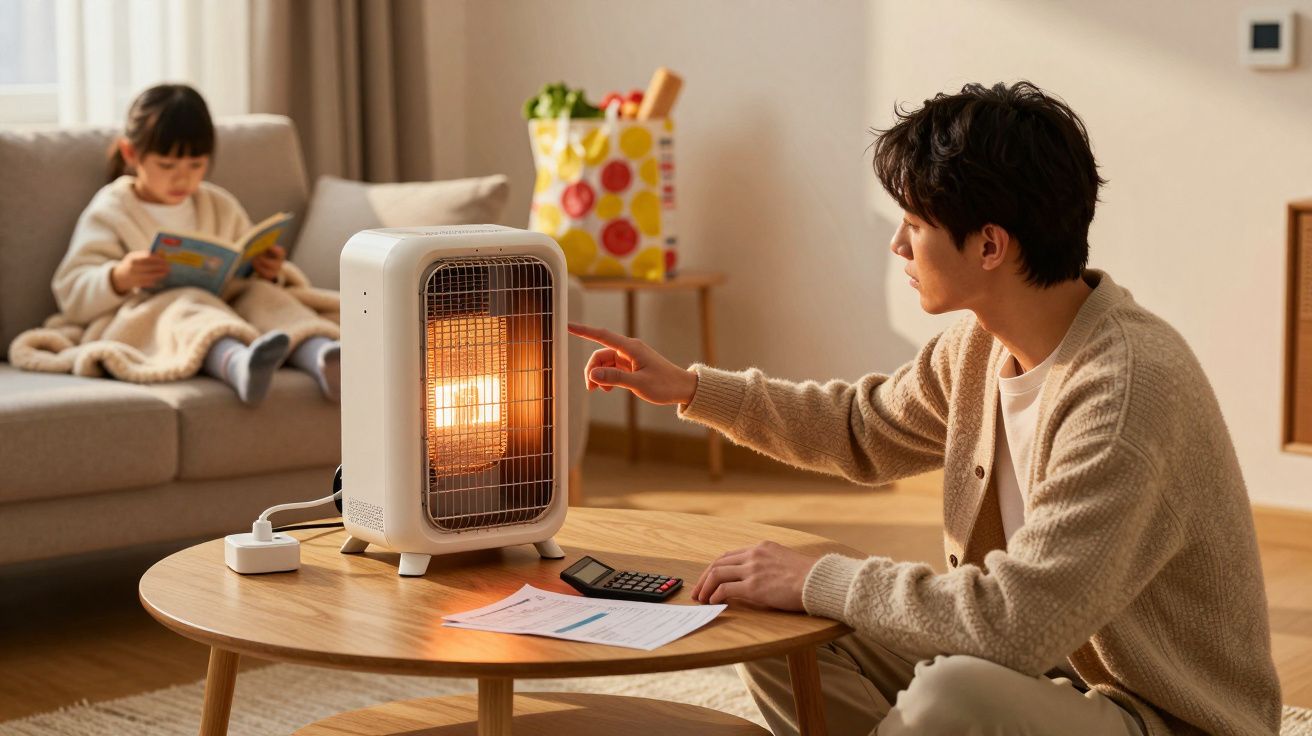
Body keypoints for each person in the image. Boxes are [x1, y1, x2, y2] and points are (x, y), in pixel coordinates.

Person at [569, 81, 1281, 735]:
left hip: (1165, 718)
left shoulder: (1126, 392)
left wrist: (819, 577)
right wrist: (691, 388)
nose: (898, 242)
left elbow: (1015, 622)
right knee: (776, 609)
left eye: (914, 220)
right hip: (1054, 680)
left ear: (990, 246)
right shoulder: (978, 347)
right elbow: (860, 429)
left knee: (953, 696)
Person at [19, 83, 339, 404]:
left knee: (262, 295)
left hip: (222, 301)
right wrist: (119, 278)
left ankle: (322, 356)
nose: (182, 179)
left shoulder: (217, 204)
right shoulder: (113, 208)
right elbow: (70, 289)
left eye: (196, 165)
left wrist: (267, 270)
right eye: (167, 166)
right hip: (147, 316)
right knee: (186, 303)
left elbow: (244, 260)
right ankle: (237, 364)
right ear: (132, 154)